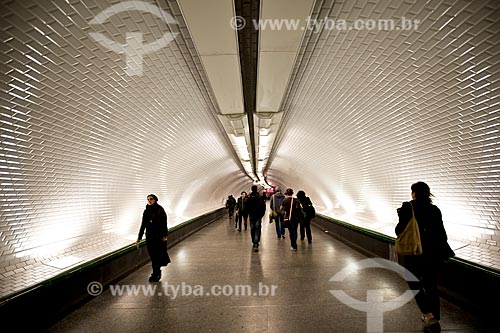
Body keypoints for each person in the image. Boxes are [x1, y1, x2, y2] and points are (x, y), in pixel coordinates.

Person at [395, 181, 454, 331]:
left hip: (414, 252)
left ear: (413, 193)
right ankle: (434, 315)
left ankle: (427, 312)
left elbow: (399, 230)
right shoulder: (435, 209)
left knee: (413, 282)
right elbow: (442, 234)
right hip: (432, 253)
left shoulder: (408, 207)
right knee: (431, 284)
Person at [136, 194, 171, 282]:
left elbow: (164, 223)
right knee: (152, 256)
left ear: (155, 200)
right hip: (149, 237)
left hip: (159, 237)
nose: (149, 201)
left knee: (157, 255)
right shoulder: (146, 211)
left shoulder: (160, 209)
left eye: (151, 199)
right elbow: (143, 225)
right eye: (148, 199)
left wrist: (165, 235)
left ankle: (157, 273)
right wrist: (139, 238)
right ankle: (156, 272)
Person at [245, 185, 266, 252]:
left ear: (251, 189)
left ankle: (253, 241)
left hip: (252, 216)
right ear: (257, 189)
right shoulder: (260, 197)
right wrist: (261, 215)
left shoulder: (249, 198)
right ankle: (256, 243)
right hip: (258, 216)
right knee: (257, 229)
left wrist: (249, 214)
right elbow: (263, 207)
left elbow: (246, 207)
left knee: (252, 229)